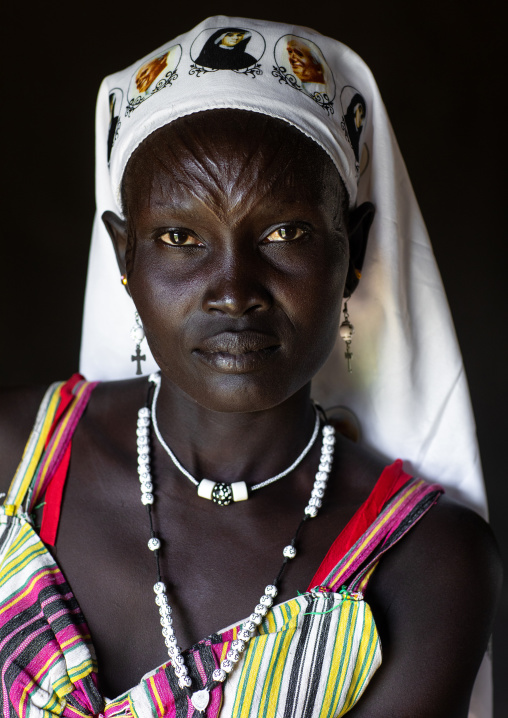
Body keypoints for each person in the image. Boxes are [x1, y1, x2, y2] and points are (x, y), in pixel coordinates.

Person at [0, 16, 502, 718]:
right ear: (124, 256)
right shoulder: (13, 457)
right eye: (180, 237)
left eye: (283, 233)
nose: (235, 289)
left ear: (351, 249)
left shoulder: (426, 567)